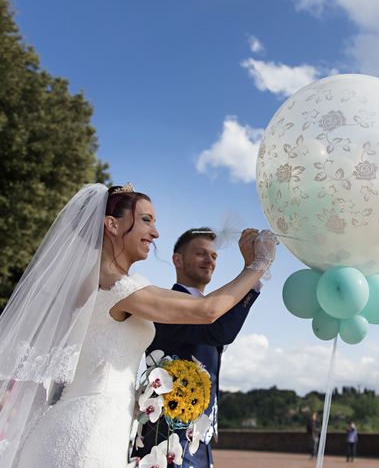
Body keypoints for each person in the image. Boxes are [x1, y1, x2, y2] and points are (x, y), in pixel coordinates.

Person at [0, 183, 277, 467]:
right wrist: (258, 264)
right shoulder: (118, 287)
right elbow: (208, 311)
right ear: (112, 225)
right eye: (146, 220)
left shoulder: (91, 283)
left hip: (88, 424)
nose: (155, 233)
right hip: (88, 434)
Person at [133, 227, 260, 467]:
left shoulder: (209, 309)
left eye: (213, 256)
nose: (209, 260)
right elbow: (220, 330)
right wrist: (253, 271)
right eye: (201, 253)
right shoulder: (165, 304)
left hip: (199, 443)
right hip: (167, 443)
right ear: (177, 260)